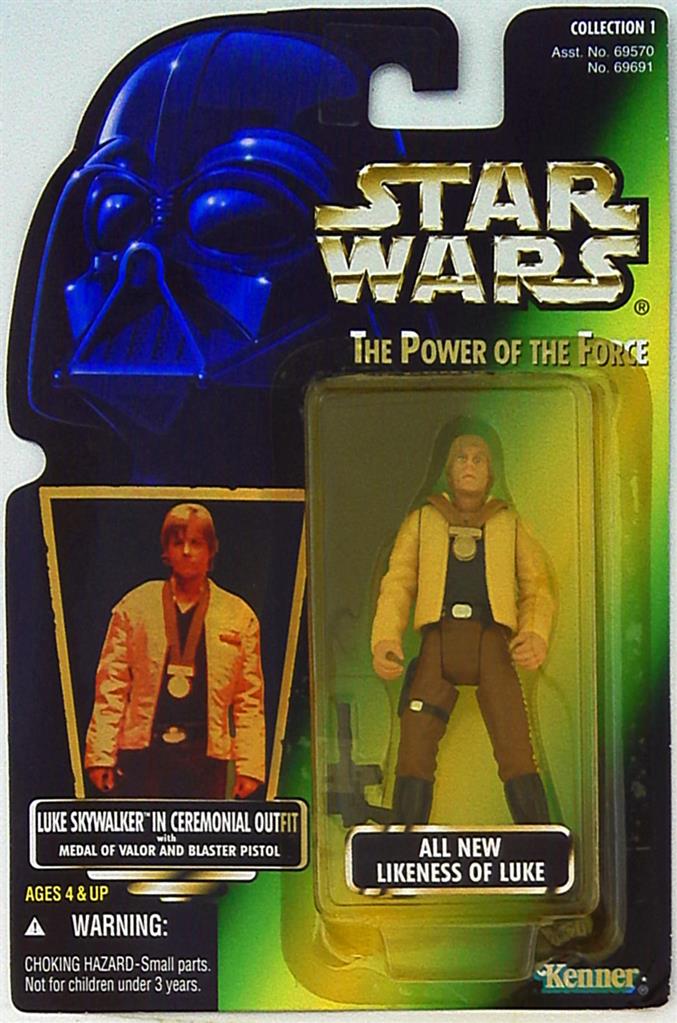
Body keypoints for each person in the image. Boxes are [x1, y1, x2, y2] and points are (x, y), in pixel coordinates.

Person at [371, 433, 555, 825]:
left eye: (478, 459)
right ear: (447, 468)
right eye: (461, 458)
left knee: (514, 741)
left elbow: (537, 585)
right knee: (416, 738)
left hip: (491, 642)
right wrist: (386, 637)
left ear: (492, 472)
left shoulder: (508, 523)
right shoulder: (424, 520)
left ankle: (539, 833)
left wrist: (534, 633)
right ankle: (406, 833)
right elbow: (398, 581)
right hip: (438, 642)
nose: (469, 466)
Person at [85, 503, 265, 798]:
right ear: (166, 551)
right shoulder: (136, 606)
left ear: (211, 550)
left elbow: (249, 699)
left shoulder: (237, 615)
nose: (186, 551)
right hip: (144, 753)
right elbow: (111, 686)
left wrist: (250, 767)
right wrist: (101, 755)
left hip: (207, 757)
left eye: (196, 543)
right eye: (177, 542)